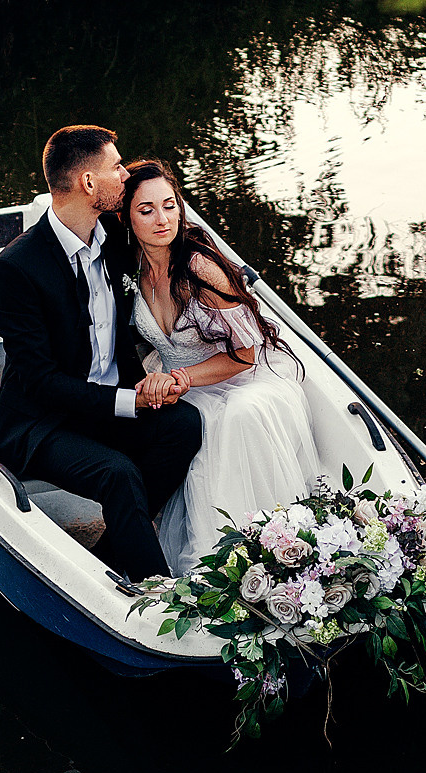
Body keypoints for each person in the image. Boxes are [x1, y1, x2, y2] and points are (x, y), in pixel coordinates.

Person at [0, 126, 204, 582]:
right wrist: (131, 402)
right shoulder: (16, 269)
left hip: (107, 403)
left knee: (184, 426)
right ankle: (160, 593)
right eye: (116, 167)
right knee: (118, 473)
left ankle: (109, 552)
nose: (125, 174)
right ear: (88, 183)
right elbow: (40, 381)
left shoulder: (114, 235)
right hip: (42, 422)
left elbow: (169, 244)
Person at [118, 160, 320, 576]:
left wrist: (182, 379)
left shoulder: (199, 268)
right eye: (147, 209)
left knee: (234, 418)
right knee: (178, 425)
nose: (163, 219)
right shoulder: (128, 270)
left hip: (241, 376)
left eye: (171, 206)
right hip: (179, 381)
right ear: (125, 217)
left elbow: (248, 351)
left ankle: (266, 555)